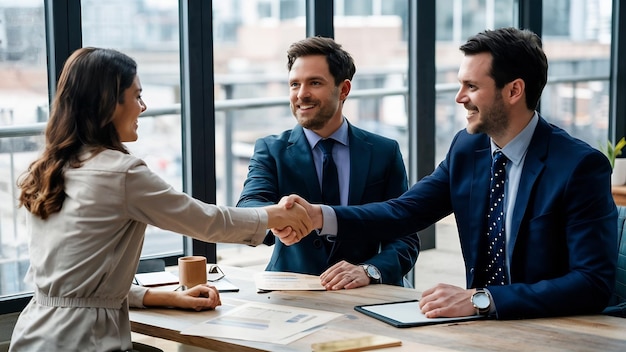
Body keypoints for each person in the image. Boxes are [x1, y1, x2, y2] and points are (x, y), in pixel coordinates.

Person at [281, 27, 618, 319]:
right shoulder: (467, 149)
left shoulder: (578, 167)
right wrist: (318, 217)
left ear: (514, 91)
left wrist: (481, 299)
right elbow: (405, 211)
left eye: (471, 86)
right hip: (477, 327)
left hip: (550, 328)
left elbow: (592, 283)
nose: (459, 98)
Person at [9, 47, 312, 352]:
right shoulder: (121, 173)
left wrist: (167, 297)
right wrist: (275, 215)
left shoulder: (48, 169)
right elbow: (206, 221)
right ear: (109, 103)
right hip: (85, 341)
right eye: (136, 96)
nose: (143, 106)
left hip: (32, 334)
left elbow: (75, 285)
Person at [237, 36, 420, 289]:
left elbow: (404, 235)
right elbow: (249, 205)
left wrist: (369, 270)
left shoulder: (384, 151)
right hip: (290, 286)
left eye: (314, 83)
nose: (301, 94)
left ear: (343, 89)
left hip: (364, 290)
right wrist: (276, 217)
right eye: (294, 84)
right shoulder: (271, 149)